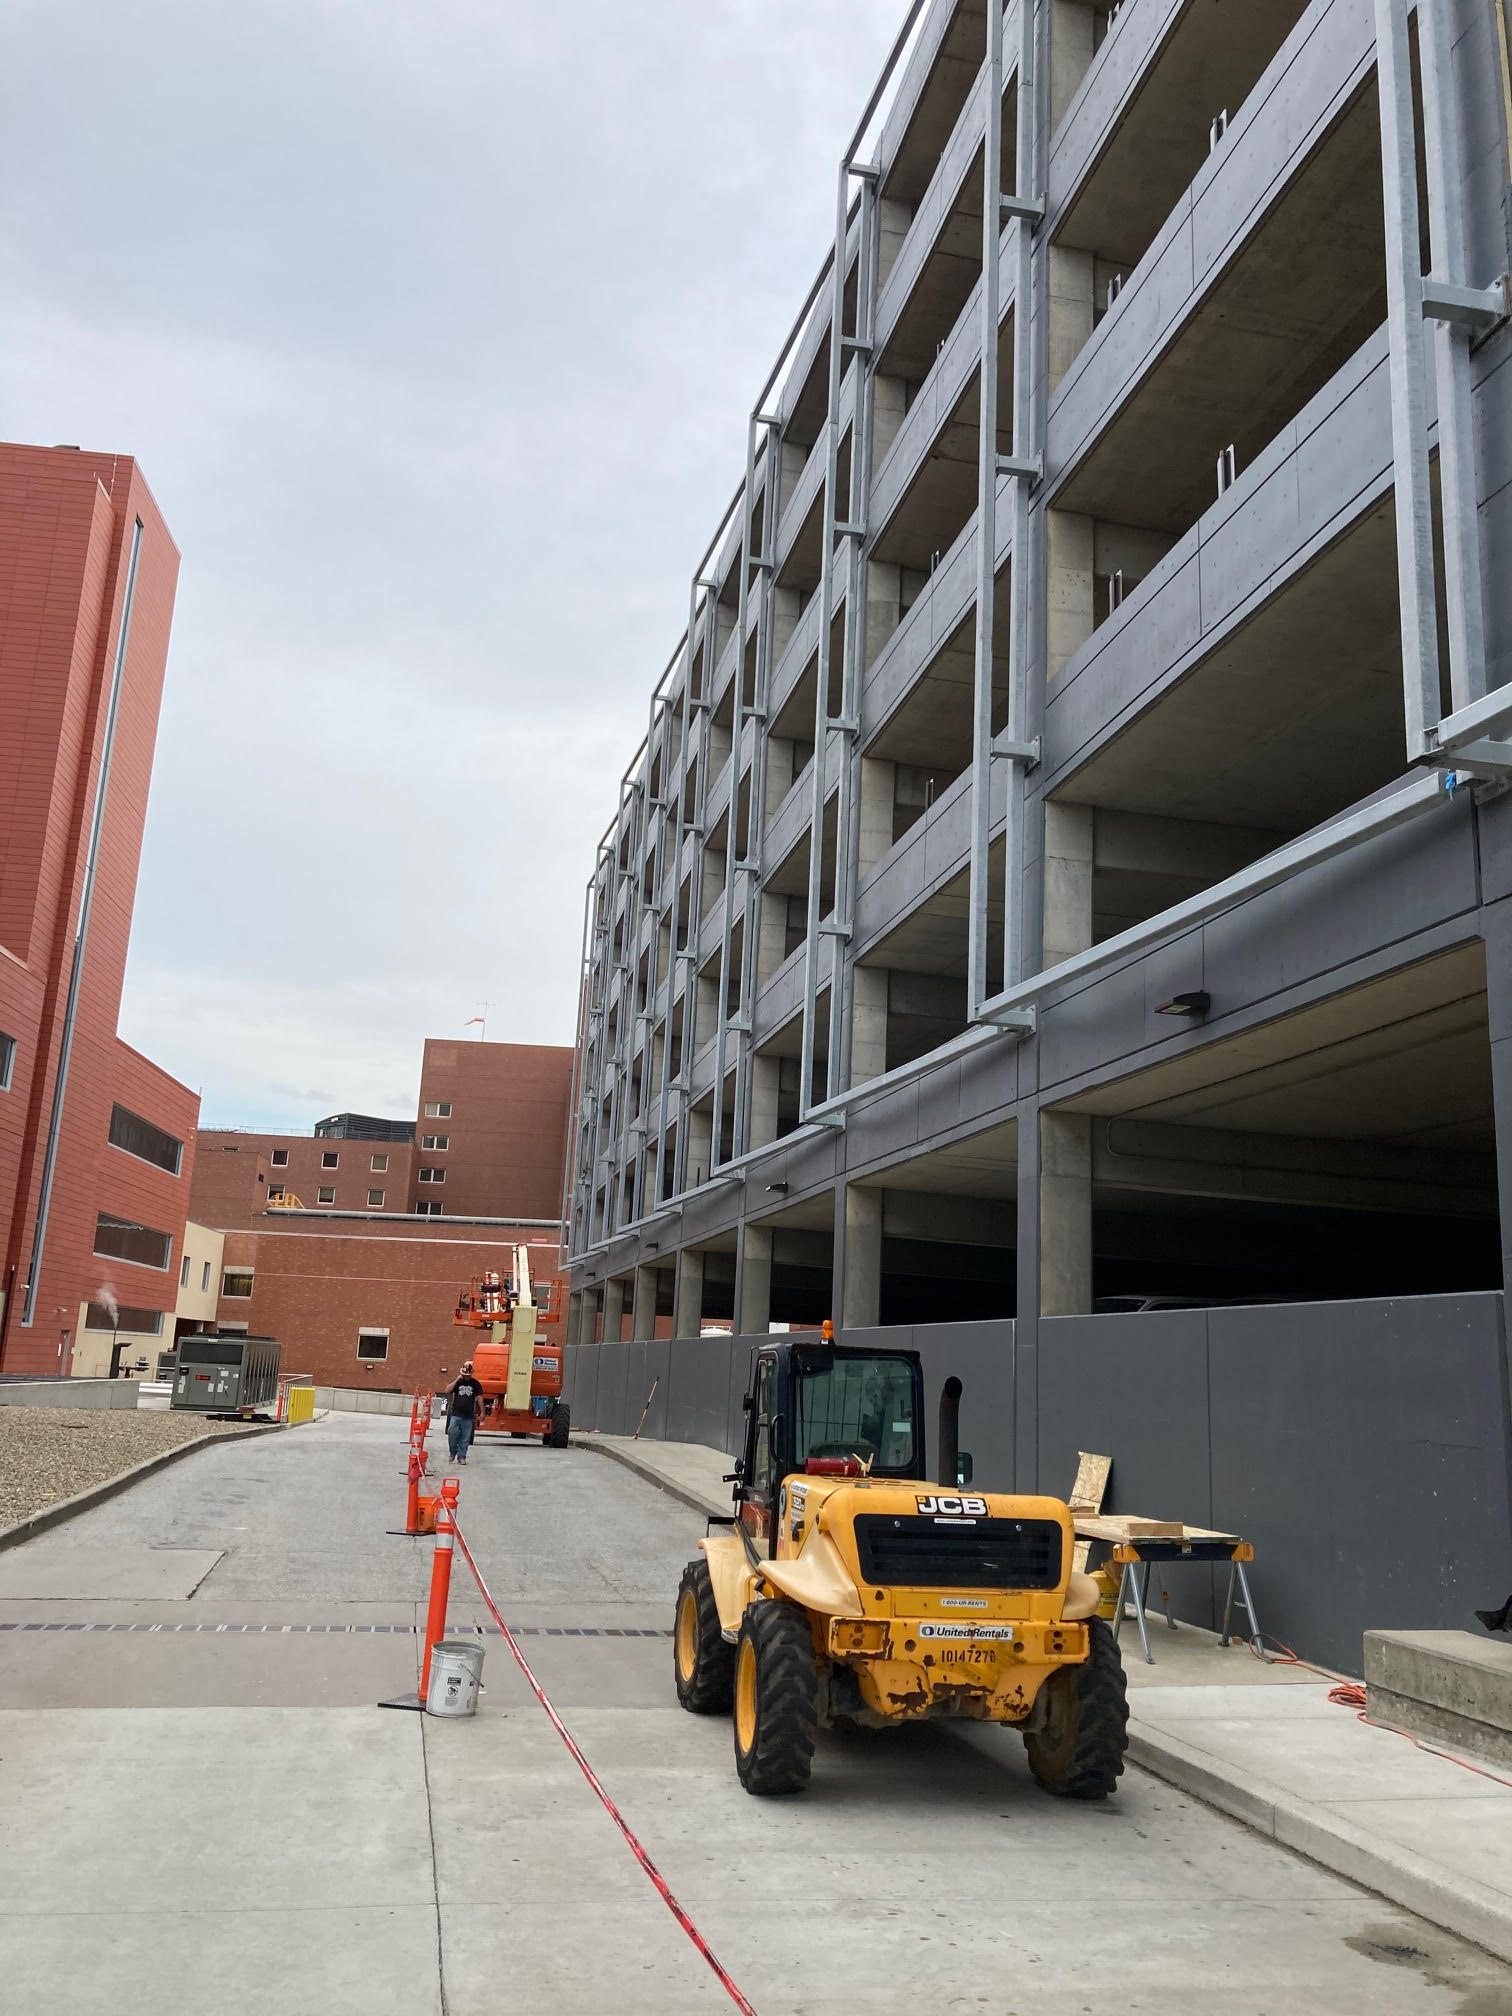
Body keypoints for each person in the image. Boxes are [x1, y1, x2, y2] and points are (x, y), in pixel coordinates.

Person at [445, 1360, 484, 1464]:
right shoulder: (457, 1382)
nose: (466, 1376)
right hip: (456, 1414)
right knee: (452, 1433)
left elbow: (479, 1398)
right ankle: (453, 1452)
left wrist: (482, 1412)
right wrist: (457, 1380)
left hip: (468, 1415)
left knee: (465, 1438)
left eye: (468, 1375)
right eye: (464, 1374)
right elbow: (448, 1390)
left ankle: (461, 1457)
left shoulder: (475, 1384)